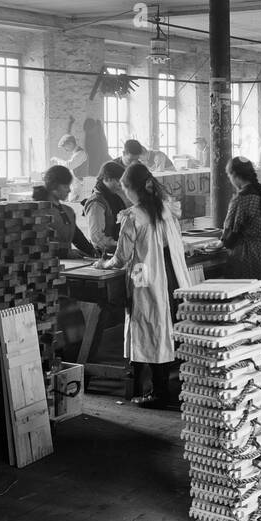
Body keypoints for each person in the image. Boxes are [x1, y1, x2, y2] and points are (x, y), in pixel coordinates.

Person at [95, 161, 195, 405]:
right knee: (163, 329)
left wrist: (103, 265)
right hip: (171, 278)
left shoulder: (133, 216)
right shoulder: (165, 209)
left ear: (131, 188)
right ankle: (159, 387)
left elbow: (121, 258)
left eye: (124, 189)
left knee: (148, 328)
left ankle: (156, 392)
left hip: (145, 279)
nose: (124, 194)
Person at [221, 156, 261, 285]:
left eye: (229, 176)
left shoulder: (241, 199)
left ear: (235, 175)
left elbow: (231, 232)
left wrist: (222, 243)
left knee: (245, 294)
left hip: (245, 255)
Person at [32, 165, 96, 257]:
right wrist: (64, 253)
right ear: (54, 186)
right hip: (47, 264)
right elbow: (38, 244)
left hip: (68, 264)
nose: (69, 190)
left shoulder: (68, 211)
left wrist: (93, 252)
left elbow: (77, 237)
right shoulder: (39, 211)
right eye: (66, 186)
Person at [82, 160, 127, 255]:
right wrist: (121, 244)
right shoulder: (96, 202)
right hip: (103, 254)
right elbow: (97, 238)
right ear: (107, 178)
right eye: (118, 181)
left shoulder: (114, 197)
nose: (120, 186)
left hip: (116, 251)